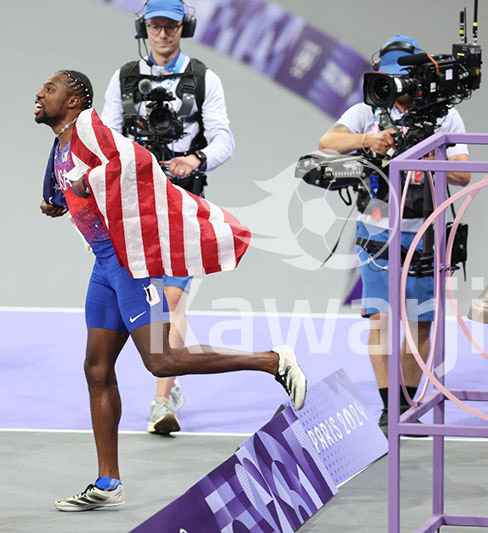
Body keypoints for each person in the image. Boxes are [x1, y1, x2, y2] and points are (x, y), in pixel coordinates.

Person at [35, 69, 306, 511]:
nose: (39, 94)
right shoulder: (62, 140)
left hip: (130, 267)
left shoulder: (89, 128)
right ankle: (108, 482)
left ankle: (272, 361)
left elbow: (133, 160)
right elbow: (68, 188)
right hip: (104, 266)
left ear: (74, 99)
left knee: (162, 361)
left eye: (50, 89)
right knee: (97, 369)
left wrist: (91, 182)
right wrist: (60, 199)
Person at [318, 35, 471, 435]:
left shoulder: (444, 117)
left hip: (425, 231)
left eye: (401, 78)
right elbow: (327, 142)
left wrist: (426, 150)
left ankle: (407, 401)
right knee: (382, 322)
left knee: (421, 325)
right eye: (388, 78)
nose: (395, 86)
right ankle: (390, 407)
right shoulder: (366, 111)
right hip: (376, 230)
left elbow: (462, 173)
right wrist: (369, 140)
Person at [100, 0, 236, 435]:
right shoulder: (123, 79)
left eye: (171, 26)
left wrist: (195, 160)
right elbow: (105, 137)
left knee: (172, 299)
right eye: (155, 26)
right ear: (145, 28)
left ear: (185, 28)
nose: (163, 34)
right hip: (132, 205)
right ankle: (145, 383)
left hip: (179, 202)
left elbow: (223, 139)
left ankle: (163, 398)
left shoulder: (203, 79)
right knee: (136, 298)